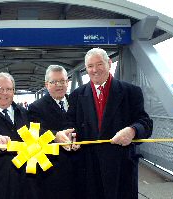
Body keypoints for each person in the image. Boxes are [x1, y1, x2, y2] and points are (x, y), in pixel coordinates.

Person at [66, 48, 153, 199]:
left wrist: (132, 131)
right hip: (89, 169)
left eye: (99, 64)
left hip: (121, 167)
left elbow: (145, 123)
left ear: (109, 63)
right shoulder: (76, 96)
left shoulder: (131, 92)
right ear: (86, 69)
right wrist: (71, 137)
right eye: (90, 66)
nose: (94, 70)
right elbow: (71, 126)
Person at [28, 65, 76, 199]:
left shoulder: (77, 101)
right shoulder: (36, 107)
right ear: (46, 84)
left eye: (62, 81)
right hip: (52, 171)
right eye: (54, 82)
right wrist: (54, 136)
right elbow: (34, 132)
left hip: (79, 167)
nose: (59, 85)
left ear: (67, 82)